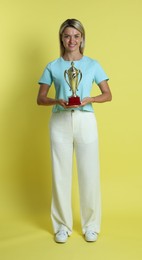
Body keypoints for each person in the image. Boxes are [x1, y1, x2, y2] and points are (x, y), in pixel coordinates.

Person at [37, 18, 112, 243]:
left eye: (76, 36)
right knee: (60, 174)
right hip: (59, 122)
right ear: (61, 38)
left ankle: (91, 226)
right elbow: (40, 99)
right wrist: (56, 101)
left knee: (89, 173)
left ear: (82, 38)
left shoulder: (92, 64)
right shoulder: (53, 66)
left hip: (86, 120)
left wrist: (90, 98)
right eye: (68, 35)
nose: (72, 40)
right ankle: (62, 226)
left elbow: (108, 94)